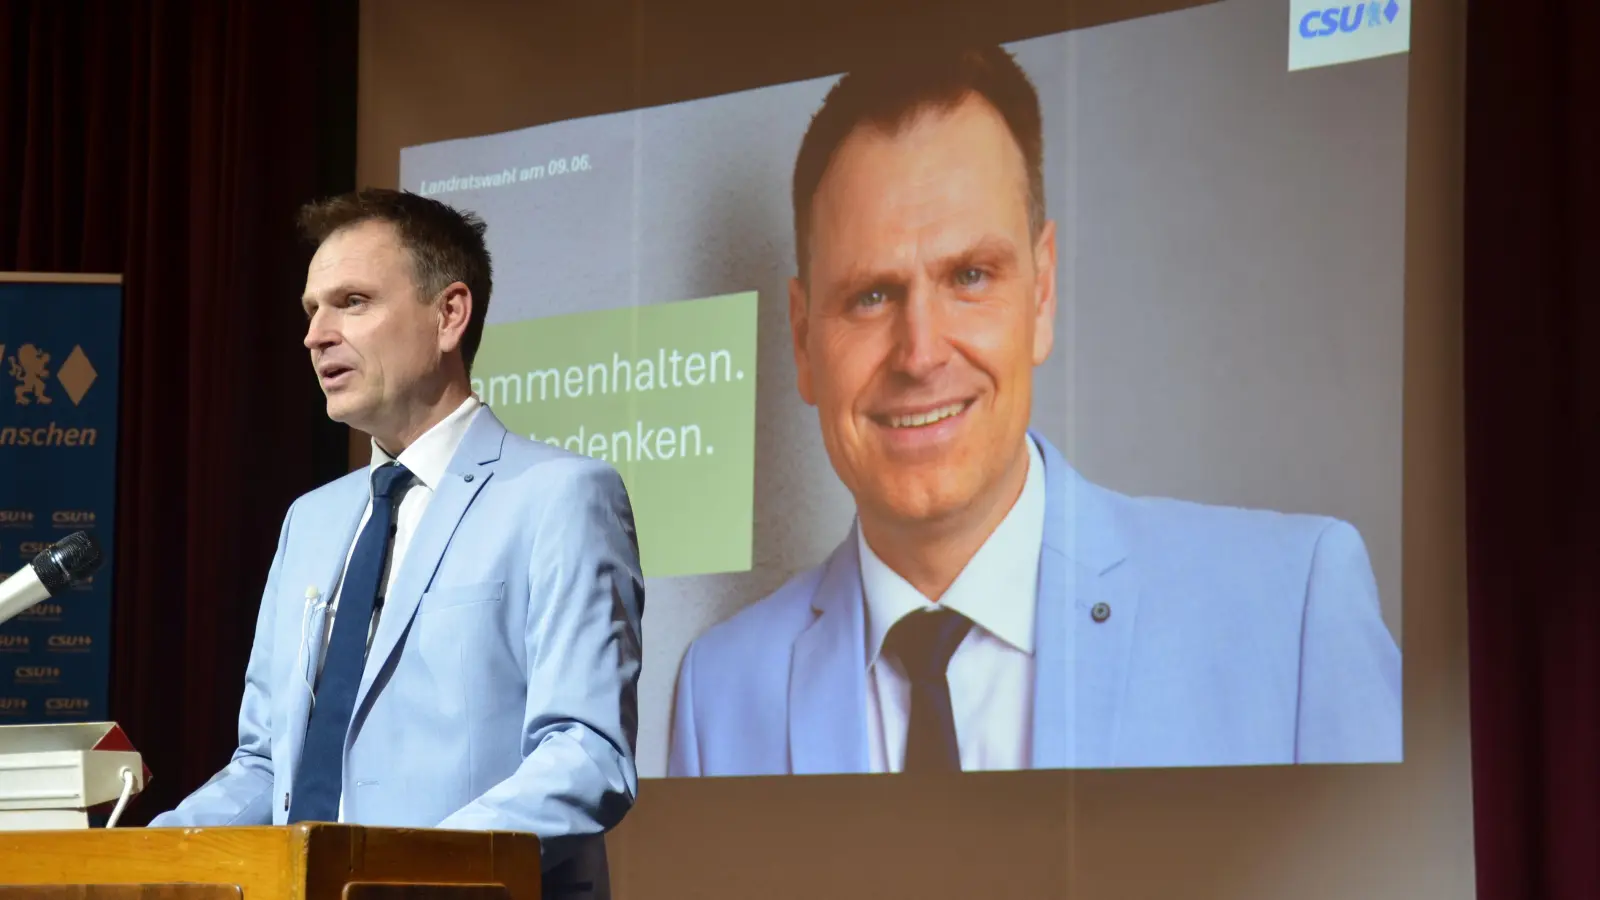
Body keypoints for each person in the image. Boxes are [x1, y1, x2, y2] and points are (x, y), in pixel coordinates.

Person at [667, 46, 1400, 777]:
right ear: (802, 339)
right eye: (871, 295)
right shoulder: (719, 697)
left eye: (970, 276)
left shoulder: (1292, 613)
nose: (920, 354)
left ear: (1042, 294)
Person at [150, 189, 644, 897]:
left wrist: (402, 875)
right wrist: (148, 857)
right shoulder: (311, 520)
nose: (315, 335)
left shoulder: (559, 496)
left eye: (351, 302)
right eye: (311, 310)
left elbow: (586, 755)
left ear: (449, 316)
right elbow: (267, 765)